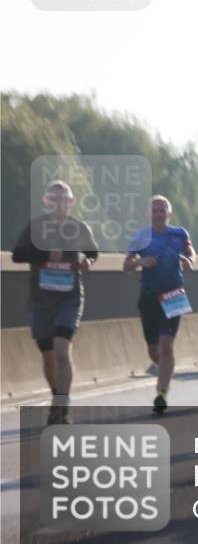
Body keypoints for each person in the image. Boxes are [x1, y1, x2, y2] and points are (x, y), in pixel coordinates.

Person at [12, 181, 99, 425]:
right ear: (46, 202)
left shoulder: (78, 227)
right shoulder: (36, 227)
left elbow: (92, 251)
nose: (59, 203)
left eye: (64, 199)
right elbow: (17, 255)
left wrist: (88, 261)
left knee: (62, 350)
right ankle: (56, 398)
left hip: (69, 297)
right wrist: (45, 255)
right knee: (48, 356)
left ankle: (63, 405)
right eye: (54, 199)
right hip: (41, 299)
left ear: (71, 202)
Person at [123, 196, 196, 415]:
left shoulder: (179, 233)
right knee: (153, 349)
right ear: (149, 213)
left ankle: (161, 393)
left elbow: (190, 251)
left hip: (174, 293)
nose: (158, 213)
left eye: (162, 210)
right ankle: (166, 367)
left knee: (166, 345)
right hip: (149, 296)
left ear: (169, 213)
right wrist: (139, 262)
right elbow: (126, 265)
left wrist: (189, 260)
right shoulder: (141, 236)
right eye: (155, 210)